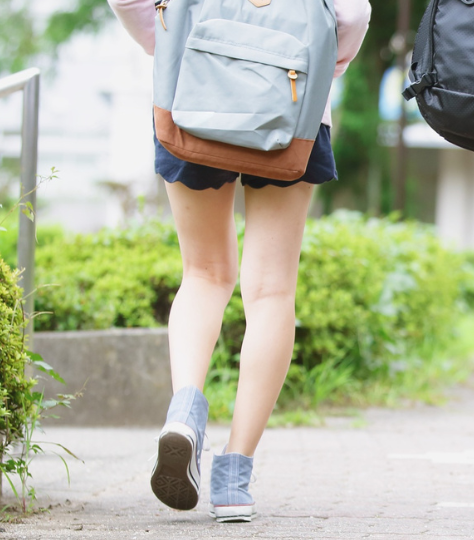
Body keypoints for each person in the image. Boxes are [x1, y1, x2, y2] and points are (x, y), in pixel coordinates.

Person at [109, 0, 370, 523]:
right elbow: (352, 14)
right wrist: (320, 61)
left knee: (203, 275)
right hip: (292, 103)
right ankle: (234, 479)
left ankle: (185, 410)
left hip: (193, 87)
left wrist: (172, 41)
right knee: (271, 290)